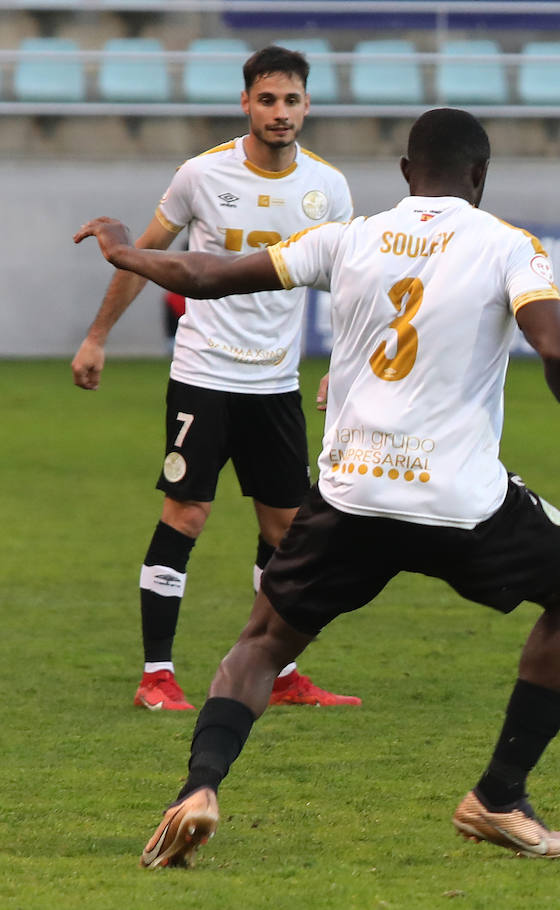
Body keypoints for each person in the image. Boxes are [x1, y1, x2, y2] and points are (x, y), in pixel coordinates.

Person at [78, 108, 560, 863]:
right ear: (480, 176)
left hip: (352, 495)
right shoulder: (511, 246)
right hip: (459, 501)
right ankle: (499, 795)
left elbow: (207, 276)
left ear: (407, 172)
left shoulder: (348, 236)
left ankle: (199, 789)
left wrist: (125, 252)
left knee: (262, 642)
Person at [71, 46, 359, 710]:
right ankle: (156, 676)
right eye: (267, 100)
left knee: (287, 532)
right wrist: (96, 336)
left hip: (275, 384)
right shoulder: (201, 175)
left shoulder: (329, 190)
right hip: (203, 376)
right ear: (246, 104)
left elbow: (353, 284)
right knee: (187, 513)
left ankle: (278, 676)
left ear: (307, 105)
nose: (280, 112)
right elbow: (145, 255)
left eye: (291, 100)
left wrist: (343, 364)